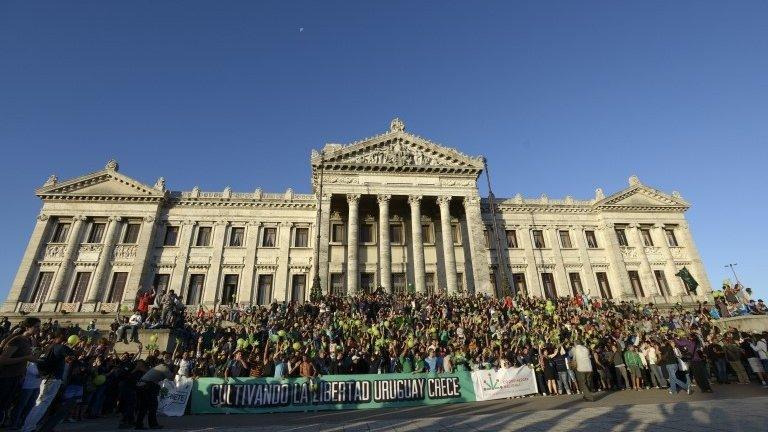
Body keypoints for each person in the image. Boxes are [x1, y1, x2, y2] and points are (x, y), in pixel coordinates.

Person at [22, 331, 73, 432]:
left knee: (40, 403)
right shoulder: (61, 347)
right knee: (42, 404)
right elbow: (71, 357)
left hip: (46, 378)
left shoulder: (47, 347)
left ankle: (29, 426)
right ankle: (28, 428)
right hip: (52, 379)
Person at [0, 317, 40, 424]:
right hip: (6, 378)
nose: (38, 329)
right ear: (27, 327)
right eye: (36, 327)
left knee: (6, 405)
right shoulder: (17, 340)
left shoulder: (28, 341)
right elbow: (3, 359)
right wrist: (25, 358)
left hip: (17, 377)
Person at [134, 358, 175, 430]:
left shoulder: (158, 367)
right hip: (147, 387)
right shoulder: (164, 367)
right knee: (153, 406)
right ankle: (153, 424)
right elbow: (171, 378)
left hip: (142, 386)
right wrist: (175, 370)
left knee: (144, 407)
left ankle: (139, 424)